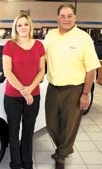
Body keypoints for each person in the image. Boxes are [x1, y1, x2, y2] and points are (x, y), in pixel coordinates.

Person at [43, 4, 101, 169]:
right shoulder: (50, 36)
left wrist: (85, 94)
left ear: (75, 18)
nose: (66, 19)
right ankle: (65, 148)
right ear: (57, 18)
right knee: (51, 124)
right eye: (62, 16)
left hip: (74, 89)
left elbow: (91, 68)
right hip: (53, 88)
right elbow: (39, 56)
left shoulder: (83, 38)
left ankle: (61, 156)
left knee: (69, 126)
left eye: (69, 16)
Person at [2, 14, 45, 169]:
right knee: (13, 132)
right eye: (19, 25)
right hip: (13, 96)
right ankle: (15, 163)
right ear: (15, 28)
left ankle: (27, 163)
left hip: (34, 95)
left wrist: (30, 89)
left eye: (25, 24)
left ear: (30, 26)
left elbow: (42, 71)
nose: (23, 27)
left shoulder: (39, 45)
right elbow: (7, 72)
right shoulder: (9, 45)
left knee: (28, 130)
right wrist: (24, 91)